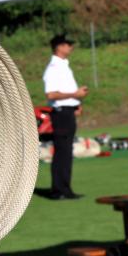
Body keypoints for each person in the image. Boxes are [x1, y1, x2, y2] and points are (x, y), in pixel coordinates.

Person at [43, 34, 89, 200]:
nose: (71, 47)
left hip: (67, 111)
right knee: (62, 152)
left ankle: (65, 188)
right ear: (59, 47)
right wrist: (75, 95)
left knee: (66, 151)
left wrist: (76, 103)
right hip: (61, 113)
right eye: (67, 44)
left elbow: (65, 90)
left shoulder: (63, 66)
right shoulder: (53, 68)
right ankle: (58, 190)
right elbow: (51, 94)